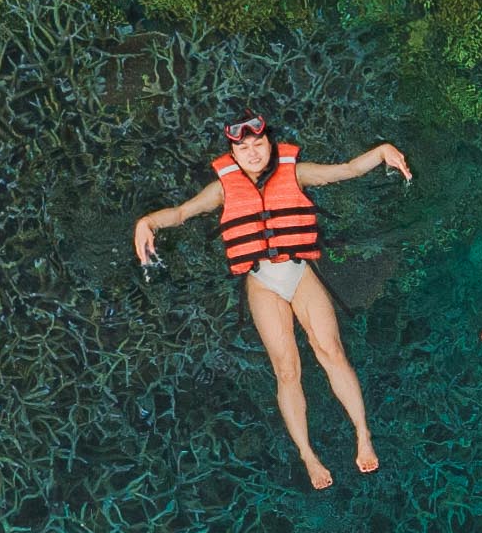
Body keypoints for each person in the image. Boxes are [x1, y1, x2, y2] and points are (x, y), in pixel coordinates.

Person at [133, 114, 413, 489]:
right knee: (286, 369)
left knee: (330, 351)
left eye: (258, 144)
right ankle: (308, 455)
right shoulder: (222, 189)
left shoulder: (295, 172)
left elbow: (345, 170)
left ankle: (363, 435)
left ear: (270, 143)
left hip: (299, 273)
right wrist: (147, 222)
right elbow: (182, 213)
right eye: (242, 148)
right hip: (262, 283)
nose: (252, 153)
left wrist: (380, 152)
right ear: (232, 152)